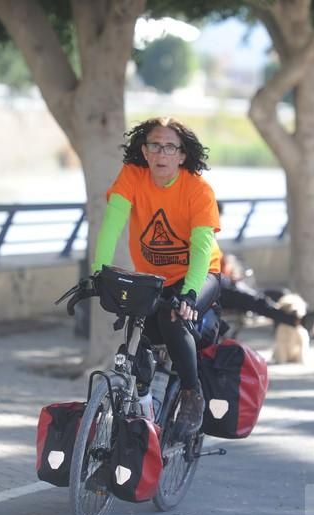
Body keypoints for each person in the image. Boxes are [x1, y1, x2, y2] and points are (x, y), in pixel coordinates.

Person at [91, 117, 221, 439]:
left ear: (181, 155)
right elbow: (112, 225)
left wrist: (189, 294)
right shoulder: (132, 178)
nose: (161, 153)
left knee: (173, 318)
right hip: (154, 278)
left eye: (169, 147)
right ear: (145, 152)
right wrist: (99, 271)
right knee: (141, 338)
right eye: (154, 146)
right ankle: (139, 426)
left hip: (200, 275)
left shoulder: (198, 189)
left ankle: (192, 394)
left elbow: (203, 248)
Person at [219, 252, 314, 338]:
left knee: (279, 294)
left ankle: (305, 315)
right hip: (222, 291)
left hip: (233, 285)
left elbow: (224, 268)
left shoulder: (213, 247)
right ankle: (298, 320)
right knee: (256, 301)